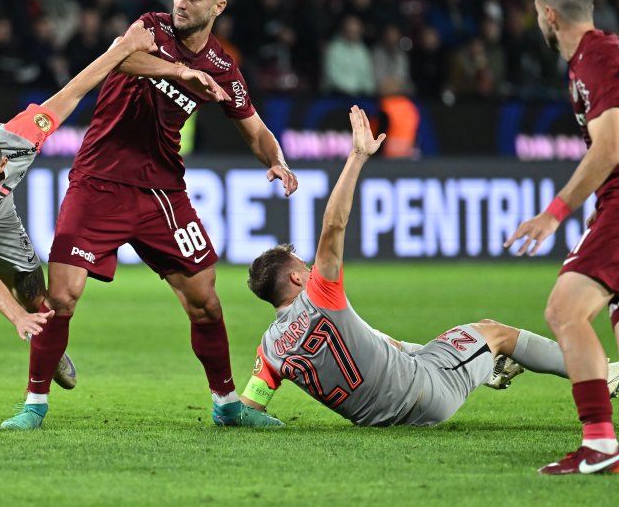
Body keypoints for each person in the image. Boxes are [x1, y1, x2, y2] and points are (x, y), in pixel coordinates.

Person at [0, 0, 299, 430]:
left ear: (217, 8)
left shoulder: (223, 67)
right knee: (63, 298)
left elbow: (254, 127)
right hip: (98, 181)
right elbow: (125, 59)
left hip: (162, 191)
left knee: (205, 302)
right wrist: (180, 71)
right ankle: (34, 403)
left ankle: (226, 405)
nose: (180, 2)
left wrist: (278, 160)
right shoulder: (152, 29)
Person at [0, 21, 225, 429]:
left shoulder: (23, 136)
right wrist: (15, 319)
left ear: (2, 165)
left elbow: (76, 89)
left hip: (0, 215)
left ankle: (49, 345)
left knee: (37, 298)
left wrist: (122, 49)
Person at [238, 107, 619, 438]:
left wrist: (269, 423)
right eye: (304, 266)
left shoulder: (270, 348)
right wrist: (356, 157)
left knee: (400, 343)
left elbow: (248, 408)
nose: (310, 268)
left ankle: (484, 366)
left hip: (379, 418)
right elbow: (334, 225)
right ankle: (602, 374)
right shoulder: (320, 295)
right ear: (295, 279)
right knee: (496, 332)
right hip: (424, 396)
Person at [504, 0, 619, 475]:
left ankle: (599, 443)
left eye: (536, 13)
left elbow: (610, 147)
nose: (537, 21)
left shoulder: (597, 58)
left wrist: (554, 214)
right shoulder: (591, 60)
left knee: (564, 311)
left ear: (549, 14)